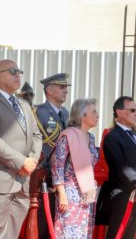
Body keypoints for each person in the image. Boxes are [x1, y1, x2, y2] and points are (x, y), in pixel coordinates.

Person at [0, 59, 42, 238]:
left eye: (19, 71)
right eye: (12, 71)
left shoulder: (24, 104)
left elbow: (36, 135)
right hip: (0, 178)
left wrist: (31, 160)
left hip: (23, 178)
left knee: (12, 232)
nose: (17, 75)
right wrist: (21, 161)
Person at [51, 98, 100, 238]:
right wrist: (62, 194)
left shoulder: (90, 137)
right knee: (68, 231)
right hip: (69, 193)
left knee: (83, 232)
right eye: (94, 112)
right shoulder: (69, 135)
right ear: (82, 115)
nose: (98, 115)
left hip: (86, 194)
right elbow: (58, 165)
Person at [33, 73, 71, 237]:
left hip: (60, 174)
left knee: (56, 221)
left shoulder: (66, 113)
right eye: (62, 87)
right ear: (49, 89)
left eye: (66, 88)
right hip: (44, 173)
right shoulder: (38, 112)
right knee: (42, 219)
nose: (66, 91)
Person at [103, 96, 136, 238]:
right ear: (119, 112)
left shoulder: (133, 135)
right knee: (118, 233)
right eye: (133, 110)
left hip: (133, 193)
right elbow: (121, 167)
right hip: (122, 193)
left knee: (129, 233)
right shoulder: (113, 136)